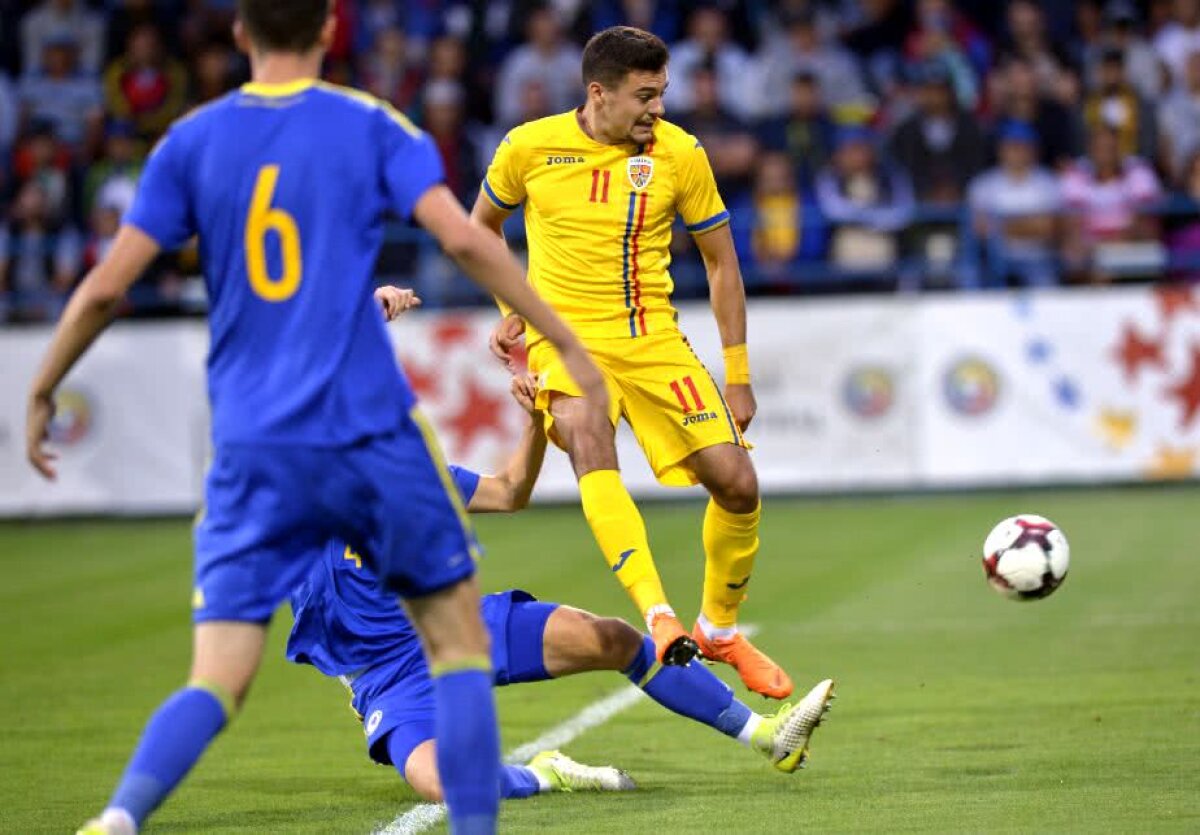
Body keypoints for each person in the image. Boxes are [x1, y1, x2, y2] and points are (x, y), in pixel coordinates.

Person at [24, 2, 606, 834]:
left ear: (238, 35)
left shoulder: (189, 140)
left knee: (215, 678)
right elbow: (469, 243)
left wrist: (46, 382)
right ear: (330, 32)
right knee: (459, 653)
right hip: (367, 435)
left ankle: (119, 817)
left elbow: (110, 285)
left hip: (256, 444)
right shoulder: (373, 125)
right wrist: (564, 341)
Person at [288, 295, 836, 799]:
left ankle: (766, 736)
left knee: (615, 639)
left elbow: (507, 493)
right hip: (388, 678)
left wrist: (532, 423)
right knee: (446, 785)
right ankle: (544, 773)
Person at [472, 25, 799, 700]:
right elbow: (478, 228)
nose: (657, 109)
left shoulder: (681, 153)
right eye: (645, 96)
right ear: (599, 93)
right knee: (590, 440)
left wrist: (737, 372)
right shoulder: (528, 147)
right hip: (566, 341)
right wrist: (513, 301)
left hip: (653, 338)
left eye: (663, 94)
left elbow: (721, 261)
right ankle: (658, 613)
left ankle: (719, 629)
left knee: (737, 482)